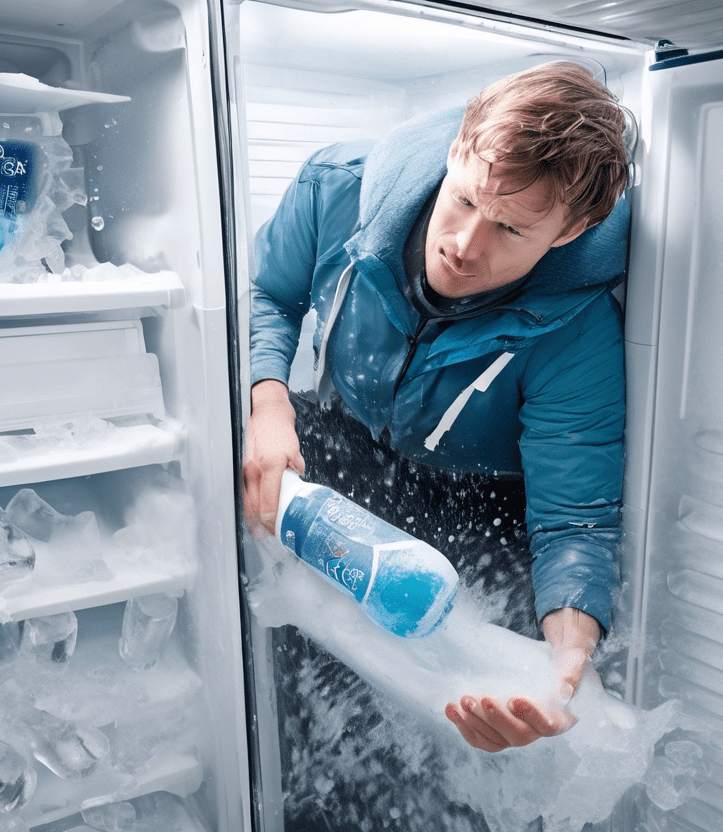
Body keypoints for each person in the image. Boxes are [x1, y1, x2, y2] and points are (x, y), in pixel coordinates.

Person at [243, 60, 631, 763]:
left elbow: (574, 518)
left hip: (475, 497)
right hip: (346, 436)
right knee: (309, 651)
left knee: (471, 707)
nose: (464, 244)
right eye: (465, 200)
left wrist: (566, 668)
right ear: (460, 150)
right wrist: (268, 401)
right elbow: (270, 292)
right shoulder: (336, 187)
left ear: (570, 231)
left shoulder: (576, 332)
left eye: (511, 231)